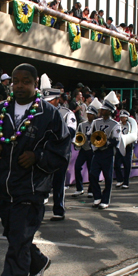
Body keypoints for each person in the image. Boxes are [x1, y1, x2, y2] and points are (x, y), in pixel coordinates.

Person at [0, 64, 70, 276]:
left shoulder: (49, 114)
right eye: (15, 81)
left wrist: (38, 157)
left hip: (31, 189)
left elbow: (62, 150)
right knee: (15, 235)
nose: (19, 86)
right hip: (3, 187)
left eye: (25, 81)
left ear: (35, 83)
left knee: (18, 239)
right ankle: (37, 262)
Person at [41, 75, 77, 221]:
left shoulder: (67, 113)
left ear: (57, 100)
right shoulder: (41, 113)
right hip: (45, 152)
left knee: (58, 182)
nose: (47, 103)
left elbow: (71, 132)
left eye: (50, 100)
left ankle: (58, 210)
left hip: (61, 153)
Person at [88, 92, 122, 209]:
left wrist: (104, 142)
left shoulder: (115, 124)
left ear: (109, 111)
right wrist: (94, 143)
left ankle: (105, 200)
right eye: (102, 109)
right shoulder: (96, 122)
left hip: (108, 153)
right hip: (97, 152)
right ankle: (97, 196)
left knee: (108, 178)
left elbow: (116, 140)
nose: (102, 111)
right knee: (93, 175)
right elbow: (90, 134)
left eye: (104, 109)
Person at [72, 99, 99, 197]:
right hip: (83, 149)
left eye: (91, 114)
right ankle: (79, 188)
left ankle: (91, 190)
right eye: (88, 113)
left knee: (91, 170)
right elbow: (78, 135)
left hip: (92, 150)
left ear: (94, 115)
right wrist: (78, 143)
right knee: (77, 167)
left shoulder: (97, 124)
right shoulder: (82, 124)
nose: (89, 115)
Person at [114, 110, 137, 189]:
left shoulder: (130, 125)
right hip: (120, 145)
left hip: (128, 146)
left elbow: (133, 134)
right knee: (117, 164)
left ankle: (126, 182)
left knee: (127, 165)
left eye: (123, 117)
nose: (122, 118)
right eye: (121, 117)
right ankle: (119, 180)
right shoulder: (118, 125)